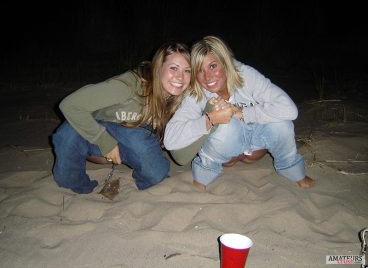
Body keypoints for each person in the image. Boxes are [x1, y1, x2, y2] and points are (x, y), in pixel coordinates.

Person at [164, 35, 314, 190]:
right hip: (225, 150)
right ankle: (204, 175)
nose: (208, 77)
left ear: (226, 62)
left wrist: (242, 112)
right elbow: (170, 140)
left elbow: (290, 109)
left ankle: (292, 170)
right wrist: (210, 119)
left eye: (213, 66)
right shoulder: (195, 92)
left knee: (282, 124)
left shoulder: (245, 74)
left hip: (256, 146)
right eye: (200, 71)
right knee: (224, 126)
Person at [52, 42, 191, 194]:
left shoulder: (183, 99)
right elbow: (69, 105)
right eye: (174, 68)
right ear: (158, 67)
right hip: (97, 131)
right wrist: (106, 143)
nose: (180, 77)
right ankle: (78, 187)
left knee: (156, 176)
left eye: (187, 71)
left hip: (134, 138)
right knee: (67, 137)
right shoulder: (129, 85)